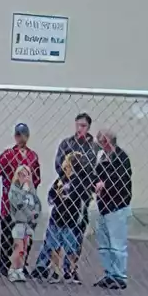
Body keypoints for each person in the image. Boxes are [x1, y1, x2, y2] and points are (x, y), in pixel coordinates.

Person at [33, 112, 96, 275]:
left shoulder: (92, 147)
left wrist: (77, 172)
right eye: (78, 125)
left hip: (81, 194)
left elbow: (90, 169)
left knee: (76, 233)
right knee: (53, 229)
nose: (80, 128)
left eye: (83, 126)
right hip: (64, 191)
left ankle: (70, 268)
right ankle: (43, 265)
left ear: (88, 127)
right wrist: (69, 173)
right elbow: (59, 164)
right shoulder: (67, 143)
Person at [0, 122, 41, 277]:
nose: (21, 138)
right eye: (18, 134)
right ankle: (4, 264)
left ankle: (20, 264)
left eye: (23, 135)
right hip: (9, 202)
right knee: (7, 235)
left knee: (25, 236)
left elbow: (37, 179)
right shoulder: (8, 155)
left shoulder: (32, 156)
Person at [92, 129, 133, 289]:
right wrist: (96, 184)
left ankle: (119, 275)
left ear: (109, 142)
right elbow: (95, 176)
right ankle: (109, 273)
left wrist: (105, 184)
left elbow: (121, 179)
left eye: (102, 141)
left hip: (117, 206)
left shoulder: (121, 158)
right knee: (104, 243)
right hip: (103, 206)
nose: (100, 145)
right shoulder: (102, 158)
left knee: (117, 243)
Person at [41, 152, 87, 282]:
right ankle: (56, 271)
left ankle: (70, 270)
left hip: (70, 219)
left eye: (67, 164)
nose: (64, 166)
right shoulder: (60, 180)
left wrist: (62, 198)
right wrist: (56, 197)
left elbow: (74, 198)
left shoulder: (78, 182)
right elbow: (52, 194)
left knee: (71, 247)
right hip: (57, 218)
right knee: (54, 245)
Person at [5, 164, 41, 284]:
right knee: (18, 248)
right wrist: (24, 191)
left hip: (29, 224)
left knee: (24, 248)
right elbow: (18, 204)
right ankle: (12, 269)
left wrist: (35, 214)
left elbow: (37, 203)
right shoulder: (14, 191)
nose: (25, 178)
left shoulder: (31, 191)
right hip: (19, 223)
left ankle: (19, 269)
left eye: (27, 175)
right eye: (22, 175)